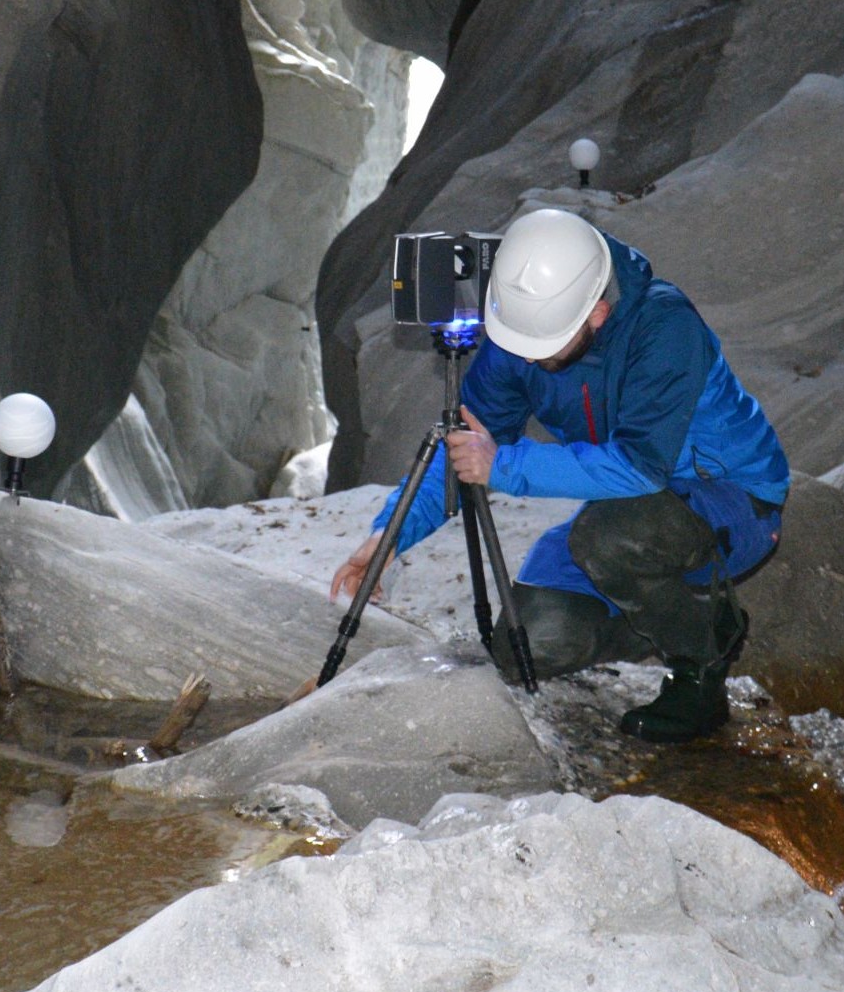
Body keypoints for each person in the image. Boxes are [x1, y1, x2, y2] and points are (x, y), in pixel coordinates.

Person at [331, 208, 789, 742]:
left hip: (729, 497)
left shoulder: (665, 327)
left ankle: (703, 653)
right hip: (627, 507)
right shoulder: (522, 333)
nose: (529, 358)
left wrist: (503, 466)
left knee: (610, 540)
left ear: (596, 313)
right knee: (528, 643)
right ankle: (670, 615)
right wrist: (389, 538)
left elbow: (641, 466)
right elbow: (463, 449)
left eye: (543, 348)